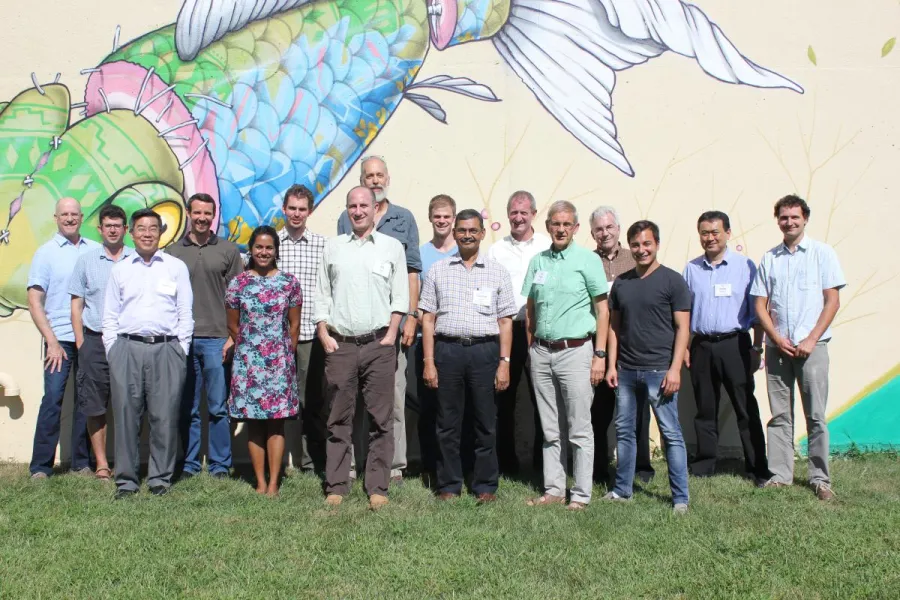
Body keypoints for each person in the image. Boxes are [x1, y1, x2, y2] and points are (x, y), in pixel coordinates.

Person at [316, 186, 409, 510]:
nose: (357, 211)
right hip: (340, 345)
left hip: (378, 344)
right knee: (338, 420)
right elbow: (322, 294)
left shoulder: (391, 247)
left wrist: (391, 334)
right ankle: (338, 484)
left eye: (363, 206)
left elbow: (400, 296)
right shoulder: (333, 247)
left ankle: (377, 486)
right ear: (347, 210)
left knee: (381, 420)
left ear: (375, 208)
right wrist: (323, 333)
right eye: (352, 206)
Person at [751, 195, 845, 501]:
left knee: (815, 415)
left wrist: (811, 339)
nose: (789, 222)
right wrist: (776, 338)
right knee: (780, 415)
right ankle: (780, 474)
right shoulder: (769, 258)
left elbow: (832, 301)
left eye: (794, 217)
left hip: (812, 347)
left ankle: (820, 479)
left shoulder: (822, 253)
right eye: (783, 217)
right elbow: (760, 304)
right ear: (777, 220)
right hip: (779, 347)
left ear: (805, 219)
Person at [420, 209, 516, 502]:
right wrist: (429, 361)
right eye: (462, 230)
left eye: (473, 230)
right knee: (448, 422)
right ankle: (449, 485)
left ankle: (485, 485)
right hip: (447, 351)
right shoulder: (439, 269)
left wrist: (504, 362)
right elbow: (427, 319)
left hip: (485, 351)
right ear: (455, 233)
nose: (467, 235)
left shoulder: (497, 271)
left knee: (485, 421)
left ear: (482, 233)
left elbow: (505, 321)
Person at [337, 156, 421, 484]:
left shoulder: (404, 218)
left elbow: (413, 270)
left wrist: (410, 317)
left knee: (394, 397)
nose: (374, 180)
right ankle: (357, 464)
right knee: (356, 400)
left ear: (388, 177)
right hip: (356, 328)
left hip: (392, 327)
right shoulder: (348, 218)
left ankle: (395, 466)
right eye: (368, 176)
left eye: (379, 175)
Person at [522, 201, 609, 510]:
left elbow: (602, 310)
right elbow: (531, 308)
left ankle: (581, 495)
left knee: (579, 428)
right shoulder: (538, 262)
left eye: (566, 224)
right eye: (555, 224)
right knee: (549, 427)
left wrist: (599, 355)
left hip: (577, 352)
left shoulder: (587, 260)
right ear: (548, 226)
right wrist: (532, 348)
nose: (560, 229)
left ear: (575, 228)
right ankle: (554, 489)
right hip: (542, 353)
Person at [102, 208, 193, 499]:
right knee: (127, 415)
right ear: (132, 232)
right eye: (141, 228)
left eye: (153, 228)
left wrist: (181, 349)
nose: (147, 234)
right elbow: (110, 315)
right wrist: (113, 350)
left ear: (161, 232)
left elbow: (185, 312)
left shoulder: (175, 267)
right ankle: (126, 481)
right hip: (127, 348)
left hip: (167, 349)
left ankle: (159, 479)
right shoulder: (121, 269)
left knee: (164, 416)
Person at [604, 221, 691, 514]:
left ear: (657, 244)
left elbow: (683, 329)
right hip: (626, 371)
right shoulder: (622, 283)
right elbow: (614, 328)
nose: (642, 250)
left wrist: (675, 368)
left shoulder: (672, 281)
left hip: (659, 372)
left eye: (647, 244)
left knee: (671, 434)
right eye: (637, 245)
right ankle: (622, 490)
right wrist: (612, 365)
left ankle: (680, 498)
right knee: (625, 432)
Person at [683, 211, 770, 483]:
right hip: (702, 346)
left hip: (735, 345)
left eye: (715, 232)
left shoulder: (745, 267)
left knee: (745, 407)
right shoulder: (691, 269)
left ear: (728, 233)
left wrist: (757, 349)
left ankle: (757, 467)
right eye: (704, 233)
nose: (709, 238)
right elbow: (684, 314)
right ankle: (705, 465)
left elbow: (757, 312)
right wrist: (685, 347)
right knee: (705, 408)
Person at [166, 193, 243, 479]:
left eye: (207, 213)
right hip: (183, 340)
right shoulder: (172, 252)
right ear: (188, 213)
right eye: (196, 212)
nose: (201, 218)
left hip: (217, 340)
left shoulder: (228, 250)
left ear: (214, 215)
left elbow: (239, 298)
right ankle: (189, 463)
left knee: (218, 408)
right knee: (188, 407)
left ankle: (220, 465)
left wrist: (232, 337)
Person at [226, 226, 302, 496]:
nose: (263, 252)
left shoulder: (289, 283)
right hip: (248, 364)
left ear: (276, 251)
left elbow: (294, 325)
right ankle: (259, 481)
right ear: (251, 249)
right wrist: (251, 350)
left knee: (276, 422)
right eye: (259, 247)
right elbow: (233, 325)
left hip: (279, 364)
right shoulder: (238, 283)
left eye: (269, 247)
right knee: (254, 422)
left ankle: (273, 484)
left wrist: (283, 355)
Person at [27, 197, 100, 479]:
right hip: (59, 339)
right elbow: (35, 301)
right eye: (64, 214)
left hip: (90, 337)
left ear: (82, 217)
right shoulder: (45, 253)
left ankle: (81, 463)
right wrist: (52, 341)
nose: (69, 219)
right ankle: (41, 466)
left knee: (86, 401)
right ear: (55, 218)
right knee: (53, 398)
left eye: (74, 214)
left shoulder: (96, 250)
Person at [589, 205, 656, 485]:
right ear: (592, 232)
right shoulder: (586, 260)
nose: (604, 233)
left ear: (618, 228)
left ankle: (642, 466)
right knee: (598, 411)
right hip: (596, 345)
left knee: (638, 410)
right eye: (599, 229)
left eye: (609, 227)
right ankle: (598, 468)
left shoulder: (635, 258)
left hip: (632, 343)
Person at [487, 190, 551, 475]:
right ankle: (506, 463)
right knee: (505, 395)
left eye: (524, 212)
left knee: (542, 397)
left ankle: (541, 462)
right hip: (507, 329)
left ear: (534, 214)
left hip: (539, 329)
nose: (518, 217)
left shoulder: (548, 246)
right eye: (513, 212)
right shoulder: (496, 250)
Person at [69, 204, 133, 482]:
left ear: (125, 229)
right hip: (94, 340)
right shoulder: (86, 261)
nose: (113, 229)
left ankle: (127, 461)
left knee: (130, 403)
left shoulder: (137, 259)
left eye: (118, 225)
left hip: (128, 340)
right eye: (108, 225)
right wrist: (81, 341)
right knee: (95, 405)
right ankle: (102, 465)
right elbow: (76, 304)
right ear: (100, 229)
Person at [276, 184, 327, 473]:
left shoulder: (322, 245)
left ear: (310, 211)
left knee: (311, 401)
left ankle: (310, 462)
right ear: (284, 209)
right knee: (278, 399)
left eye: (302, 209)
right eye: (292, 208)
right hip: (276, 337)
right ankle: (281, 461)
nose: (296, 214)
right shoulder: (271, 243)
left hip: (309, 334)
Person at [416, 194, 458, 484]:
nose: (442, 221)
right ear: (430, 218)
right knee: (428, 406)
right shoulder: (421, 254)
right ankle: (430, 466)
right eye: (437, 216)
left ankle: (457, 464)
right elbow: (417, 299)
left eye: (447, 216)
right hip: (427, 339)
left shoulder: (465, 250)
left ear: (453, 218)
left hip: (456, 341)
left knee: (455, 408)